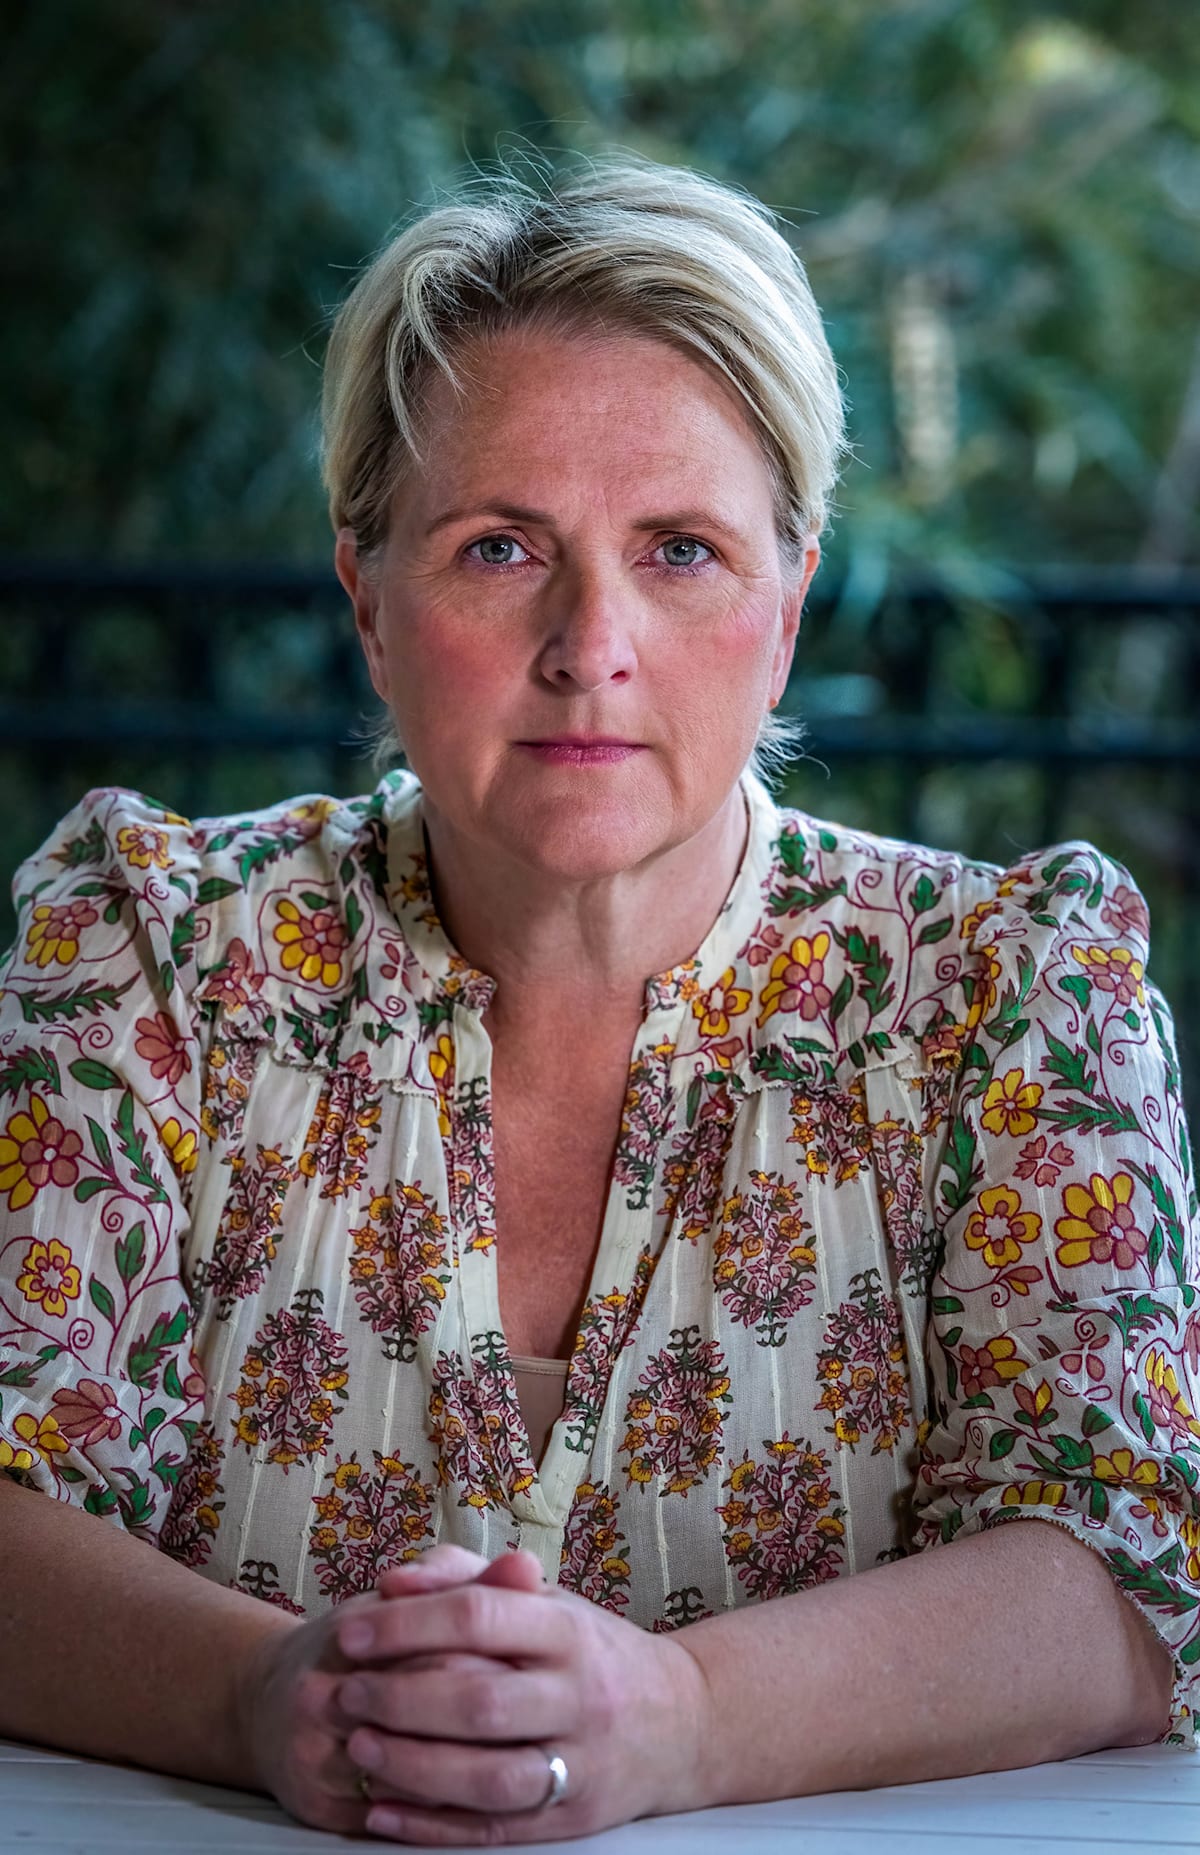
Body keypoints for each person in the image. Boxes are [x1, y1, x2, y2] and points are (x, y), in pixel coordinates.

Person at [0, 156, 1196, 1847]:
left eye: (682, 551)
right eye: (499, 548)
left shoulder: (1012, 994)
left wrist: (679, 1720)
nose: (590, 645)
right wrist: (260, 1698)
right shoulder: (150, 950)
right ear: (368, 606)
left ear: (787, 612)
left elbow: (1129, 1566)